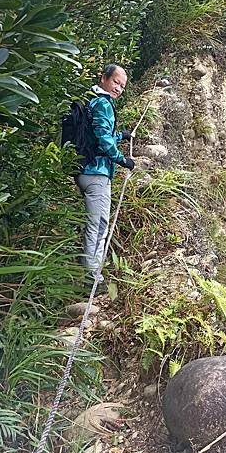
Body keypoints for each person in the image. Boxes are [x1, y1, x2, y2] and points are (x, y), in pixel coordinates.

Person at [75, 64, 135, 293]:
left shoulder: (93, 100)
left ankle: (89, 273)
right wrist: (122, 160)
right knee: (98, 226)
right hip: (97, 174)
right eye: (115, 82)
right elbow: (102, 139)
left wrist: (122, 135)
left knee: (95, 224)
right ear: (104, 78)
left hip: (85, 170)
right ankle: (91, 279)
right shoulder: (103, 103)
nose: (118, 89)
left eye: (122, 86)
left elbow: (101, 133)